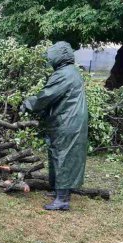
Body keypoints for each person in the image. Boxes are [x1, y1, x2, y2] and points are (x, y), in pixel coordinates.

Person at [21, 41, 89, 211]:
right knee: (57, 154)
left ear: (60, 55)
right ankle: (58, 191)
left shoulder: (64, 74)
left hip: (67, 121)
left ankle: (63, 199)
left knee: (63, 156)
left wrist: (29, 104)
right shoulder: (69, 72)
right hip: (67, 119)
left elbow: (47, 95)